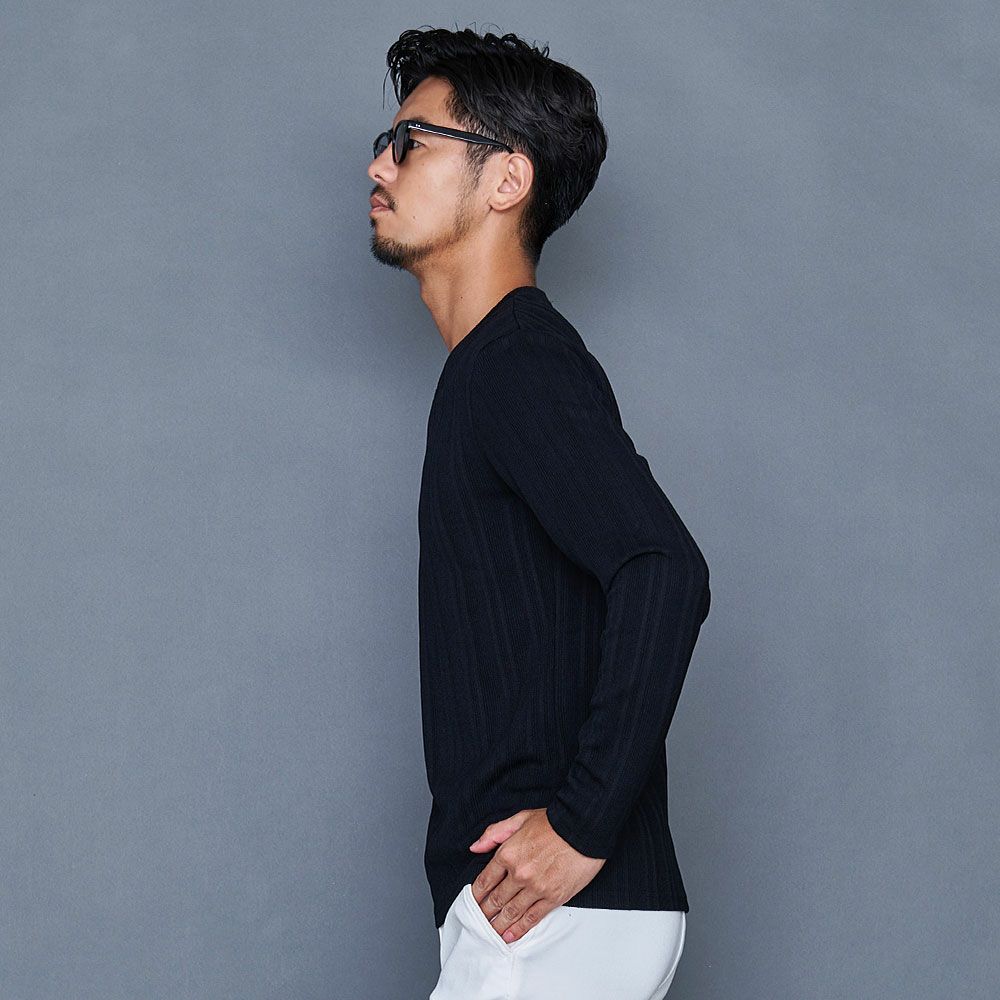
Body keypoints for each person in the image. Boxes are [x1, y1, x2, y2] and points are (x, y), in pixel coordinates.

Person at [367, 26, 711, 1000]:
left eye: (412, 142)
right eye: (386, 142)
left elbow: (664, 569)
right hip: (539, 919)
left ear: (506, 179)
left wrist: (580, 825)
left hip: (553, 916)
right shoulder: (493, 369)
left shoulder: (517, 363)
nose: (379, 165)